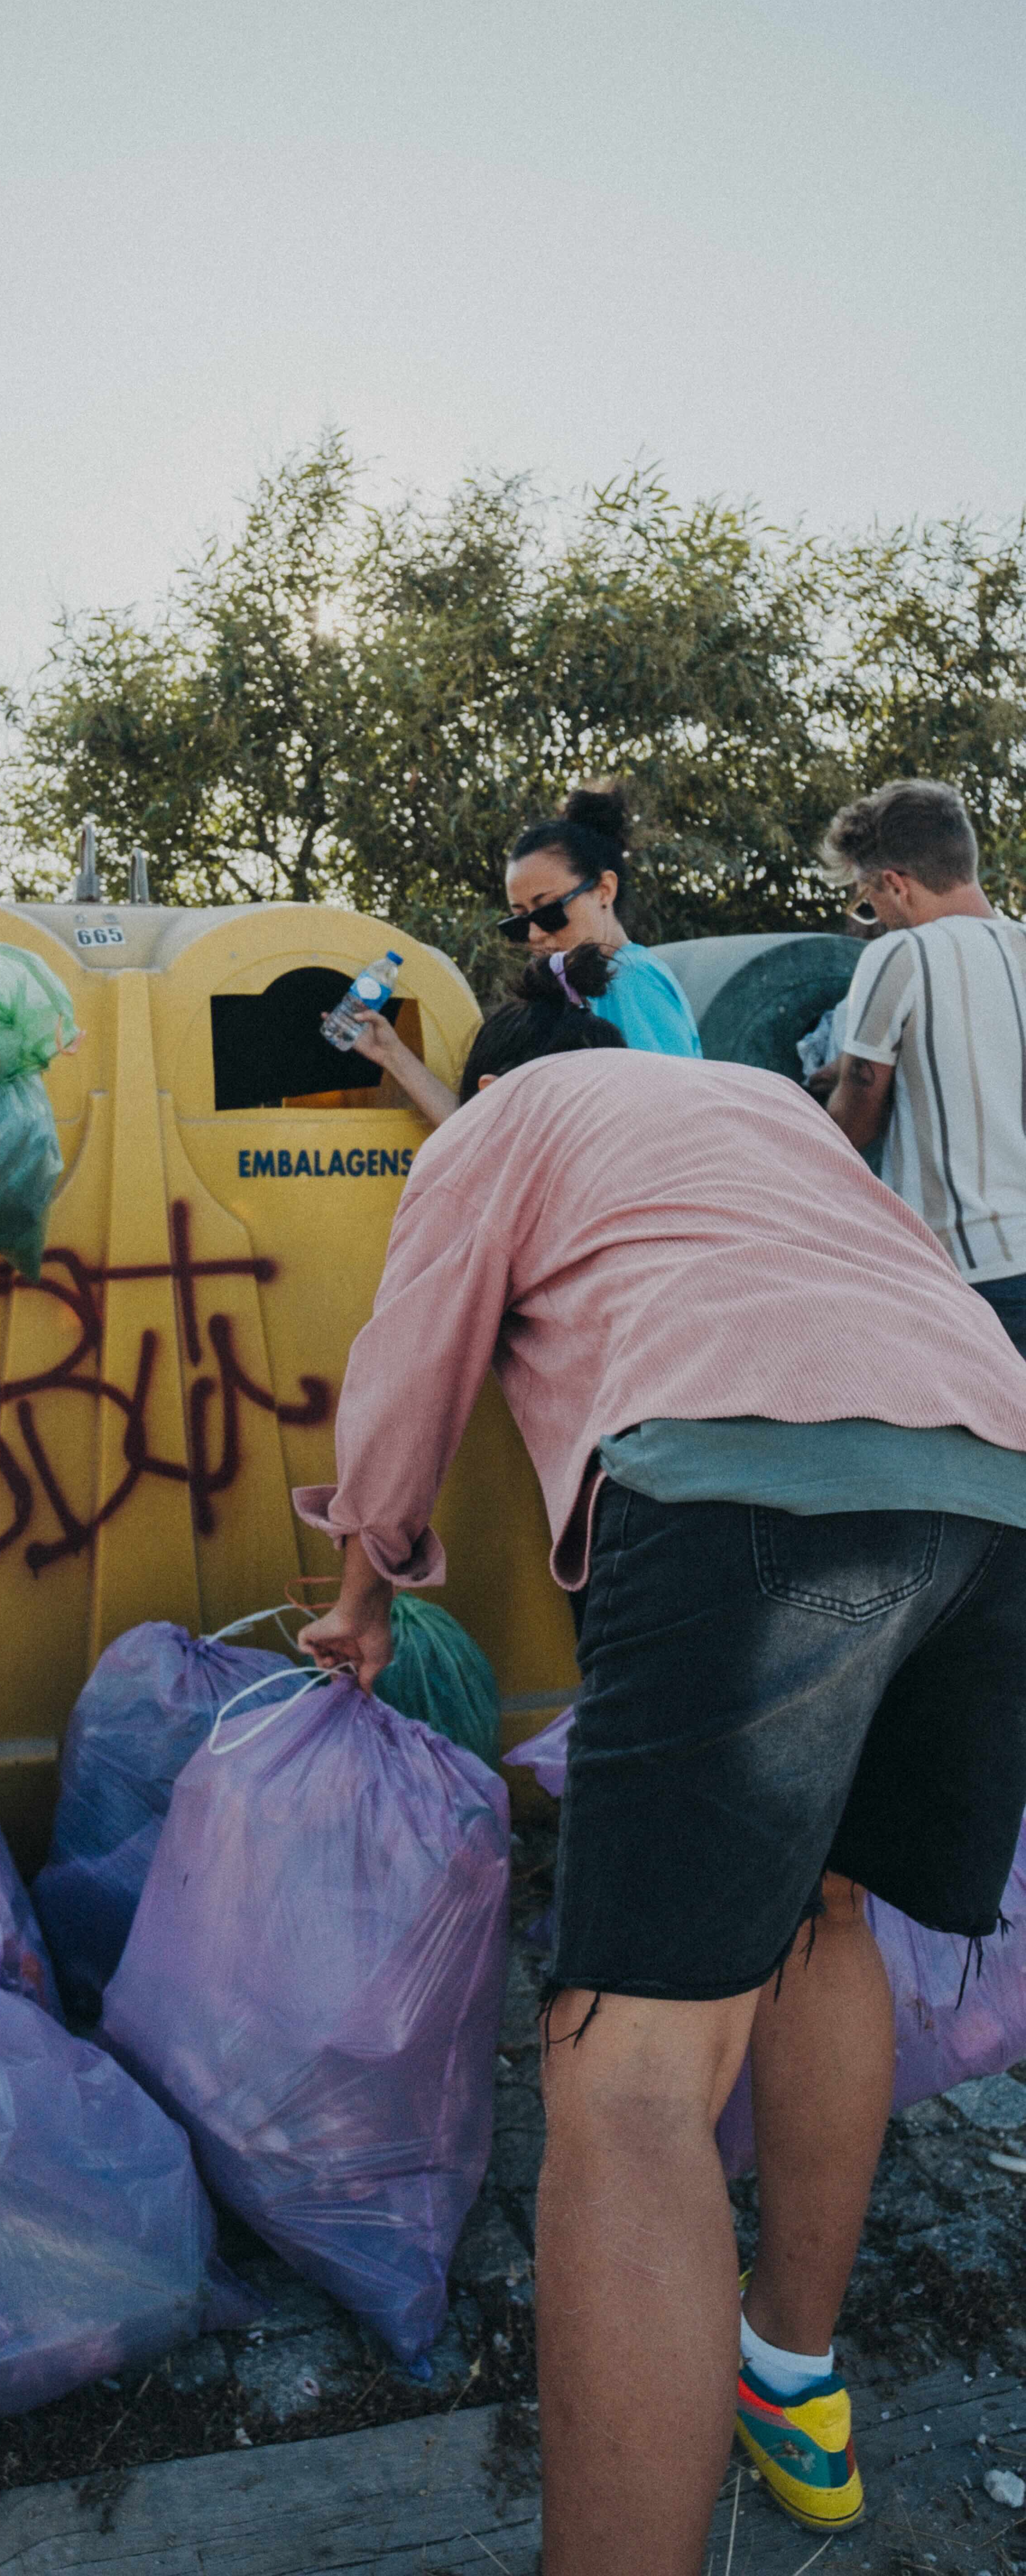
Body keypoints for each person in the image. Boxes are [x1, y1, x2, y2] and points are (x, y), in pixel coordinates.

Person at [294, 945, 1026, 2576]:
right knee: (825, 1912)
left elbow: (408, 1371)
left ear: (478, 1079)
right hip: (989, 1470)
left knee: (629, 2080)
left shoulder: (499, 1124)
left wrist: (360, 1592)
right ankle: (790, 2374)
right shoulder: (757, 1113)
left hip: (744, 1472)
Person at [348, 779, 698, 1126]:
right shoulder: (580, 994)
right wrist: (392, 1055)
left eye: (548, 912)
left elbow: (674, 1123)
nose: (533, 934)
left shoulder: (630, 979)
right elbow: (487, 1132)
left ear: (605, 890)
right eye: (517, 922)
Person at [819, 778, 1026, 1353]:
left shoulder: (898, 956)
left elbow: (855, 1123)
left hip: (962, 1268)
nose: (875, 916)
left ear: (894, 884)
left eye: (868, 900)